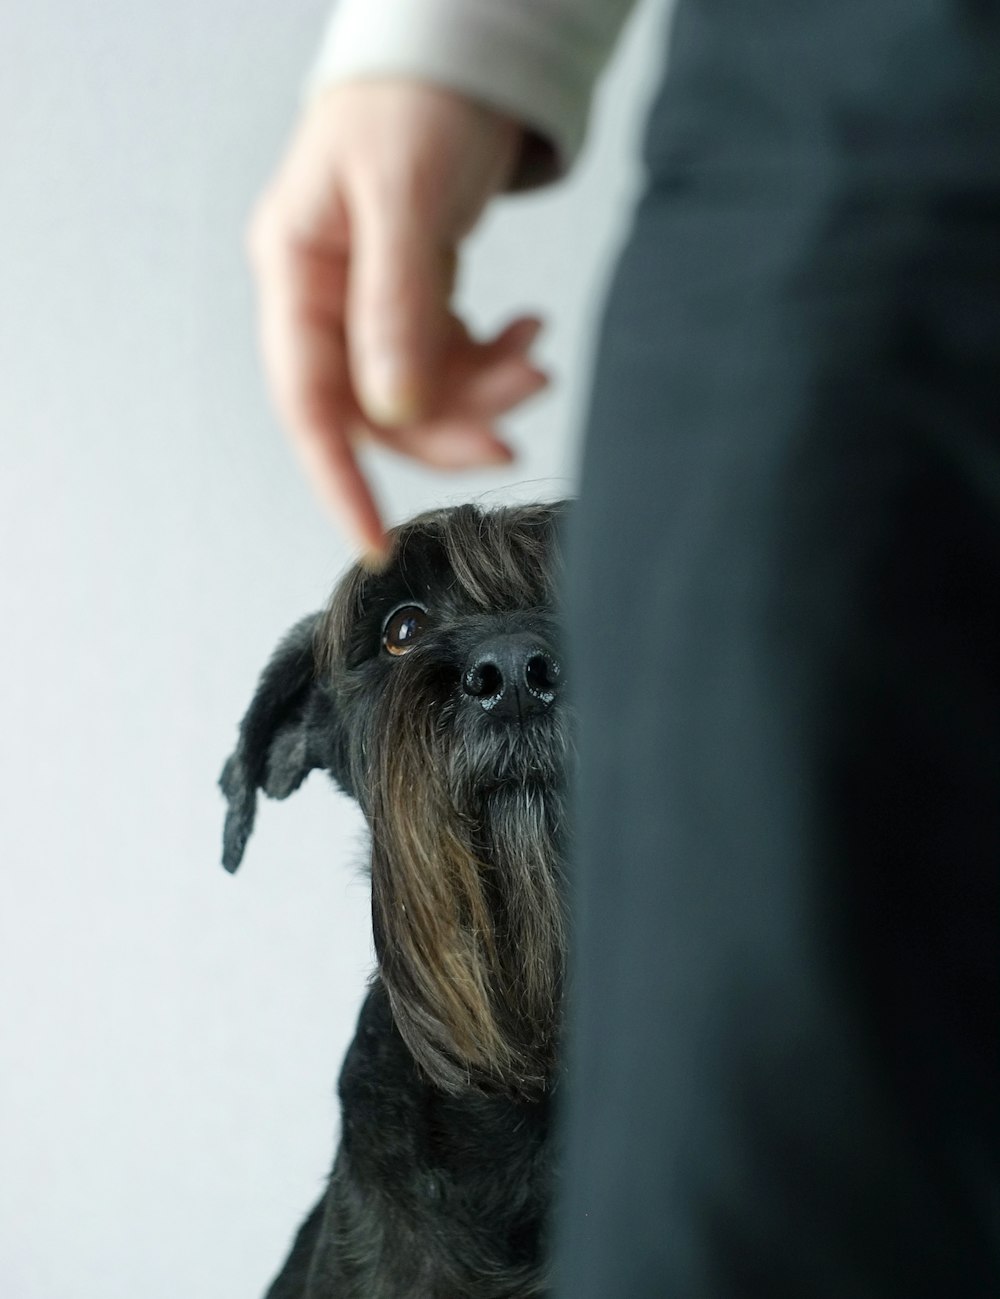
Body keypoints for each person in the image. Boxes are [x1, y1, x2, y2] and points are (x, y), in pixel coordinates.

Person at [247, 1, 1000, 1294]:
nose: (513, 665)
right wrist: (436, 50)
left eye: (605, 622)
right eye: (417, 629)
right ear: (306, 747)